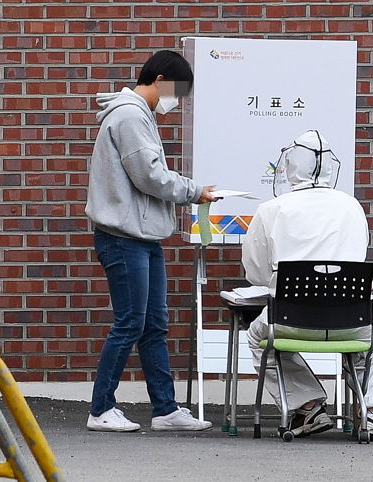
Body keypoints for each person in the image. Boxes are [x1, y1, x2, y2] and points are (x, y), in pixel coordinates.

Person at [242, 129, 373, 440]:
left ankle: (307, 407)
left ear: (290, 166)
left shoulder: (272, 209)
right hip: (352, 321)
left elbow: (254, 272)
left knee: (258, 340)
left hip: (289, 321)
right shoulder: (352, 207)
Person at [84, 50, 216, 432]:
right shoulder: (130, 116)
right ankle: (101, 409)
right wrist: (195, 192)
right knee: (130, 323)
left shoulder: (135, 114)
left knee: (153, 323)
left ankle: (165, 410)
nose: (176, 102)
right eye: (177, 92)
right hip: (124, 238)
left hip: (139, 237)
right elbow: (150, 176)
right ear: (159, 80)